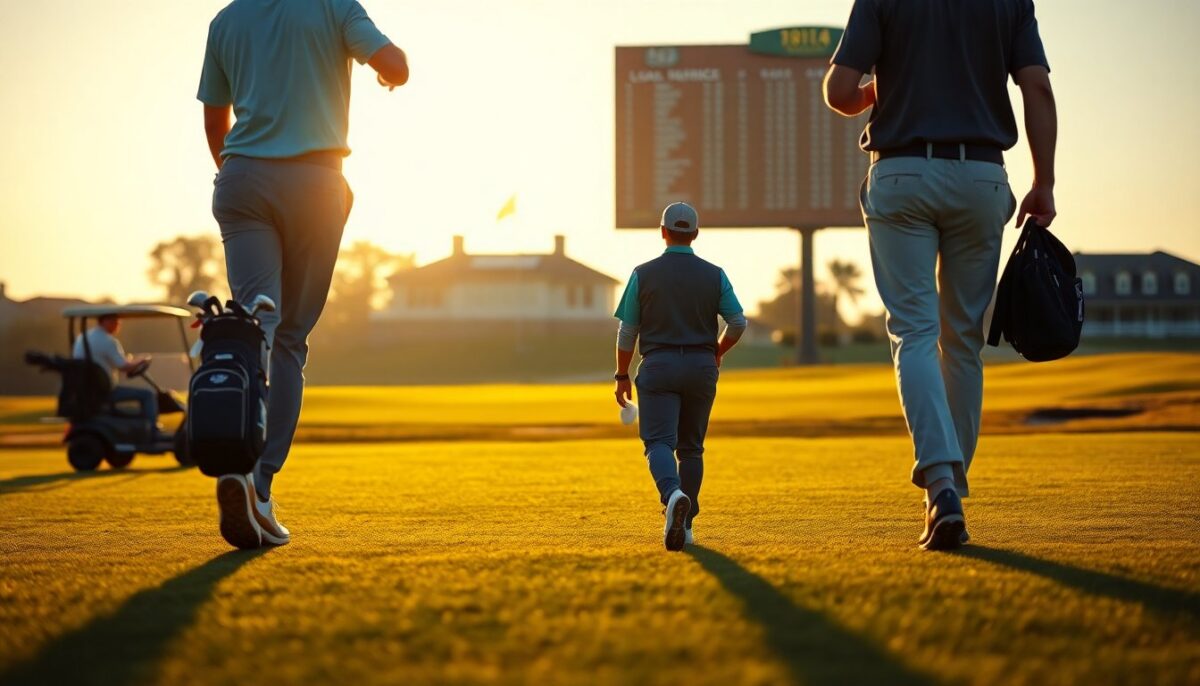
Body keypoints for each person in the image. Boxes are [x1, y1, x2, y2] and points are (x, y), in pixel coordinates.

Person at [824, 0, 1057, 550]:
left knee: (914, 332)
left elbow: (839, 91)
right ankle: (950, 489)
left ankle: (941, 488)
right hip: (982, 176)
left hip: (902, 172)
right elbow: (1037, 89)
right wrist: (1044, 182)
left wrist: (879, 91)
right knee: (963, 341)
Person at [197, 0, 409, 549]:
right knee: (289, 337)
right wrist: (387, 74)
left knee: (254, 329)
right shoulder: (334, 6)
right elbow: (395, 64)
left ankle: (235, 463)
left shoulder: (226, 20)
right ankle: (260, 485)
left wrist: (243, 175)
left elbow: (215, 121)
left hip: (241, 179)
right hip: (314, 182)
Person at [613, 202, 747, 551]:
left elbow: (627, 332)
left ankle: (672, 495)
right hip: (702, 367)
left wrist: (621, 374)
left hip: (658, 365)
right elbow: (737, 323)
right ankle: (685, 528)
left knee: (658, 443)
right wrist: (718, 351)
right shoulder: (715, 274)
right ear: (696, 234)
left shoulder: (643, 273)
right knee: (691, 449)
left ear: (663, 232)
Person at [72, 314, 157, 427]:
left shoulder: (83, 337)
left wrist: (130, 362)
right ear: (105, 321)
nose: (118, 325)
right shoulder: (108, 341)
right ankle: (152, 430)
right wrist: (142, 360)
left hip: (90, 390)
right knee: (148, 394)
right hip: (105, 391)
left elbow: (116, 362)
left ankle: (141, 427)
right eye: (115, 322)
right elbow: (124, 366)